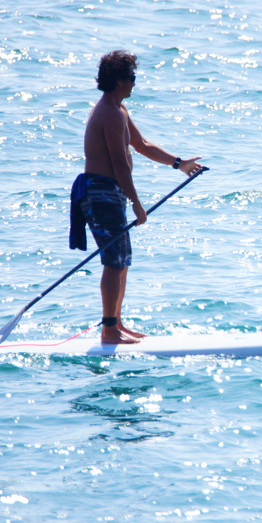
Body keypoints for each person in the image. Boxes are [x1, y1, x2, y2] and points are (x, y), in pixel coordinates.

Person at [70, 50, 202, 344]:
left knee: (122, 260)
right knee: (113, 261)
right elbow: (119, 164)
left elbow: (141, 144)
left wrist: (179, 164)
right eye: (131, 77)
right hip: (101, 192)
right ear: (118, 81)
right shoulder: (110, 113)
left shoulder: (119, 110)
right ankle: (109, 330)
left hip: (109, 192)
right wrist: (137, 204)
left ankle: (116, 323)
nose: (134, 83)